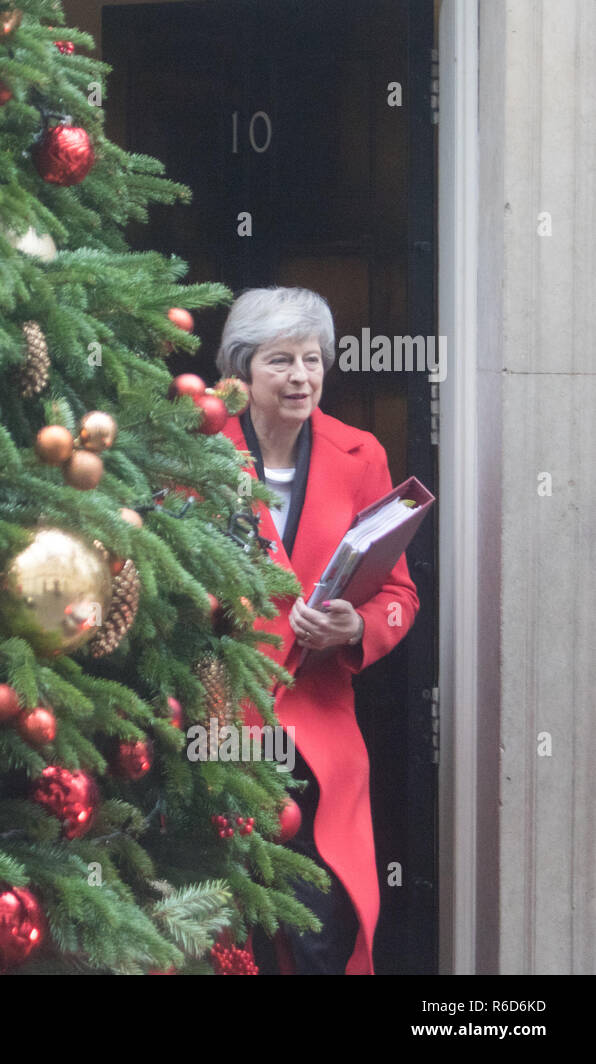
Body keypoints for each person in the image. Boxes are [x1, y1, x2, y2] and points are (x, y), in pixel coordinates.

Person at [215, 287, 419, 975]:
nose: (302, 376)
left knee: (319, 939)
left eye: (312, 359)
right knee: (225, 939)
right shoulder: (197, 454)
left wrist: (352, 626)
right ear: (241, 371)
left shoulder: (361, 455)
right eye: (280, 360)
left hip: (317, 739)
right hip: (217, 734)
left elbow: (400, 595)